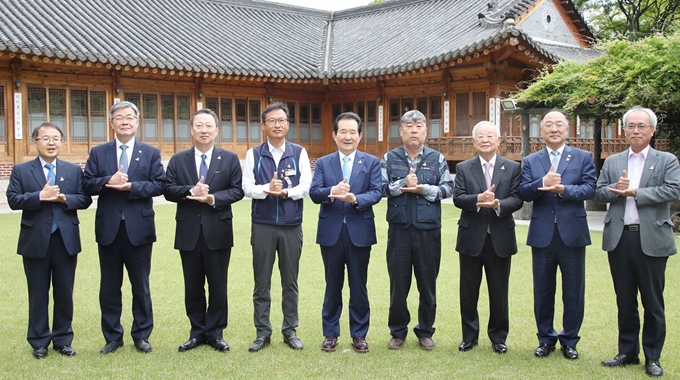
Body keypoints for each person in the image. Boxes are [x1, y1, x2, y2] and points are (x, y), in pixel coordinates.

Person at [594, 107, 680, 378]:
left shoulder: (666, 160)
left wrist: (636, 192)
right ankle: (627, 352)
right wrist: (614, 191)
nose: (636, 131)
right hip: (620, 238)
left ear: (652, 130)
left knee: (653, 302)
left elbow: (674, 189)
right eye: (631, 126)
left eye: (642, 126)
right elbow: (597, 193)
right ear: (624, 129)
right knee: (625, 299)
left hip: (651, 237)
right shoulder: (613, 161)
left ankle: (652, 357)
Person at [84, 101, 165, 354]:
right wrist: (109, 180)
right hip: (109, 228)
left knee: (140, 285)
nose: (125, 121)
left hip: (138, 228)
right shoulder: (99, 152)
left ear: (138, 122)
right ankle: (112, 336)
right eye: (119, 117)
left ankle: (141, 335)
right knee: (109, 286)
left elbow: (158, 185)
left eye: (130, 117)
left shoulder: (150, 152)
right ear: (111, 123)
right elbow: (87, 184)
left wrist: (131, 186)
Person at [6, 123, 92, 359]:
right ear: (35, 142)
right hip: (35, 240)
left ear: (61, 142)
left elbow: (85, 199)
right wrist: (39, 196)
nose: (51, 142)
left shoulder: (73, 170)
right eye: (45, 138)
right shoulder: (21, 170)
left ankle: (63, 340)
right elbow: (13, 199)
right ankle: (39, 341)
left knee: (64, 292)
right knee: (38, 292)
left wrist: (66, 199)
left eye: (56, 138)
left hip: (65, 240)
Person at [164, 108, 244, 353]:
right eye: (199, 125)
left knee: (218, 285)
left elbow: (237, 190)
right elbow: (168, 190)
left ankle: (216, 333)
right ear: (192, 130)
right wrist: (190, 191)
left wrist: (212, 198)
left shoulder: (229, 159)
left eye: (209, 126)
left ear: (216, 130)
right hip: (189, 232)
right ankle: (197, 332)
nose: (204, 130)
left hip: (217, 230)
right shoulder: (178, 160)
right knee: (193, 285)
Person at [519, 109, 596, 360]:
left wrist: (564, 189)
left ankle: (570, 340)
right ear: (540, 130)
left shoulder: (583, 157)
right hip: (542, 233)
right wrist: (543, 181)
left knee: (573, 290)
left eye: (559, 124)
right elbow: (524, 192)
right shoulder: (531, 160)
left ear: (567, 129)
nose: (554, 129)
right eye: (548, 125)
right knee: (542, 289)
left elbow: (590, 188)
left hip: (572, 233)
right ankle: (545, 338)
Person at [309, 112, 382, 353]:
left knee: (359, 285)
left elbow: (376, 192)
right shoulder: (323, 162)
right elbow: (315, 193)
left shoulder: (371, 162)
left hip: (359, 231)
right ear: (334, 135)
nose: (347, 136)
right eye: (343, 131)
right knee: (332, 285)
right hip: (331, 232)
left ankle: (359, 334)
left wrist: (355, 199)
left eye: (352, 132)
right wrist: (333, 190)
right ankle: (330, 333)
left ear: (360, 136)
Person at [381, 109, 453, 351]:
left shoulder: (437, 159)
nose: (414, 130)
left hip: (428, 229)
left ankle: (425, 331)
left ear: (425, 131)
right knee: (398, 284)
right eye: (409, 126)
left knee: (427, 283)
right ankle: (398, 331)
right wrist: (403, 184)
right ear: (401, 131)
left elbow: (447, 189)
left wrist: (423, 189)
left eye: (419, 126)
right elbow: (381, 187)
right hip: (399, 229)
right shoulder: (390, 158)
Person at [242, 101, 312, 352]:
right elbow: (247, 187)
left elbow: (306, 186)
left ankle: (290, 329)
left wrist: (285, 192)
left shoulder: (298, 152)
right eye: (271, 120)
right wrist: (266, 190)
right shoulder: (254, 153)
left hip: (291, 225)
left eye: (281, 120)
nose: (277, 125)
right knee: (261, 281)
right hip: (262, 224)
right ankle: (262, 332)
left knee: (290, 281)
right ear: (263, 125)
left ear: (288, 124)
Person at [453, 121, 522, 354]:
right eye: (480, 136)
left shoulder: (512, 167)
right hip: (471, 237)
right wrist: (478, 199)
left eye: (490, 136)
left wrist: (498, 204)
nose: (485, 140)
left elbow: (517, 198)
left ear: (498, 140)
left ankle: (498, 337)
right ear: (474, 142)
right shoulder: (464, 167)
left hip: (500, 237)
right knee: (469, 290)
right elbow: (458, 198)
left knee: (499, 291)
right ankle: (469, 336)